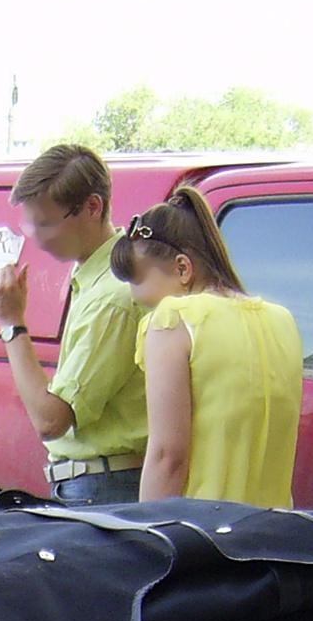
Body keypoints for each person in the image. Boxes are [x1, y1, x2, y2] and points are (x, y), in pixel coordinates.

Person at [109, 188, 303, 506]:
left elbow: (167, 456)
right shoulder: (281, 320)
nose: (133, 295)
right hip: (272, 532)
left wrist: (145, 533)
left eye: (137, 279)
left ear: (183, 268)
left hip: (200, 533)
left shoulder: (175, 320)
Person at [0, 145, 149, 505]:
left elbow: (50, 419)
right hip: (101, 480)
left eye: (47, 223)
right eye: (30, 224)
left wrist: (11, 324)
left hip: (104, 486)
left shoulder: (113, 296)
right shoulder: (101, 276)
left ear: (93, 207)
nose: (38, 238)